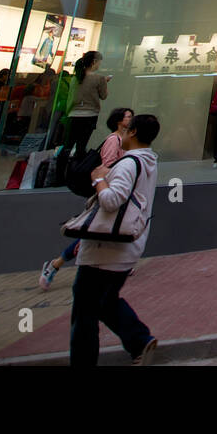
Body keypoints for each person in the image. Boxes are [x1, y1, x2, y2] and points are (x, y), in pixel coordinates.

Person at [66, 113, 160, 366]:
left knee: (85, 312)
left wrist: (98, 179)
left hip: (104, 249)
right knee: (104, 303)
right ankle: (139, 340)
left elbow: (111, 200)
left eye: (127, 128)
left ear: (134, 133)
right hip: (124, 247)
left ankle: (84, 361)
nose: (123, 133)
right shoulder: (149, 162)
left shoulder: (129, 164)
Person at [40, 107, 133, 289]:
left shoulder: (123, 140)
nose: (131, 119)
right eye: (128, 117)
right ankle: (55, 264)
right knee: (92, 233)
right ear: (119, 121)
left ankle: (121, 263)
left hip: (114, 191)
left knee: (110, 230)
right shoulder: (114, 140)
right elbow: (105, 168)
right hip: (108, 191)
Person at [59, 50, 107, 169]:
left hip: (73, 115)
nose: (99, 65)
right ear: (94, 62)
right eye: (99, 63)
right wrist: (105, 82)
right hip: (89, 115)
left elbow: (71, 98)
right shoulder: (99, 78)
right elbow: (103, 96)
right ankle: (76, 171)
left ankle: (60, 172)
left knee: (68, 145)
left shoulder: (76, 78)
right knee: (81, 145)